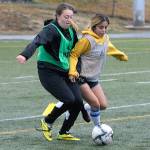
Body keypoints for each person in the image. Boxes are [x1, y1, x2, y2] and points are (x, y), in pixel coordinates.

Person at [16, 3, 89, 141]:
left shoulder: (72, 31)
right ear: (57, 16)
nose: (69, 20)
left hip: (65, 70)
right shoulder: (50, 30)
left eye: (71, 17)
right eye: (66, 17)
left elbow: (76, 53)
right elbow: (36, 41)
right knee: (68, 99)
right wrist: (25, 55)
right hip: (48, 71)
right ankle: (47, 121)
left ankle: (64, 132)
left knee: (78, 102)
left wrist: (76, 71)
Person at [68, 14, 128, 127]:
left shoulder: (105, 38)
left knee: (103, 105)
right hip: (80, 77)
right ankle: (98, 128)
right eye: (101, 27)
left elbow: (108, 46)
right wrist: (72, 71)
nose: (104, 30)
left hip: (93, 78)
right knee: (95, 104)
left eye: (105, 27)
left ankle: (82, 108)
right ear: (94, 27)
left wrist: (118, 54)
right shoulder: (87, 40)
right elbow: (74, 54)